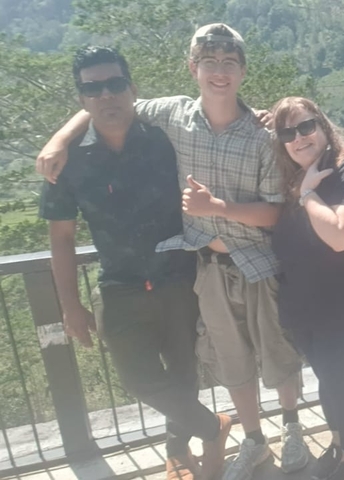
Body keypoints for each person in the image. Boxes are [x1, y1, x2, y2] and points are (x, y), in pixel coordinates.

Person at [34, 24, 309, 480]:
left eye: (228, 62)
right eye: (209, 62)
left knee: (246, 361)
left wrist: (218, 204)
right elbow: (107, 113)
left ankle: (254, 435)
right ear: (193, 68)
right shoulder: (158, 123)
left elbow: (280, 206)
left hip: (221, 268)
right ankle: (234, 435)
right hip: (165, 275)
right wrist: (60, 138)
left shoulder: (222, 133)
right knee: (190, 371)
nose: (218, 72)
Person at [39, 46, 231, 480]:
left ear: (132, 88)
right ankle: (212, 428)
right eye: (93, 88)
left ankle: (177, 453)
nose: (106, 95)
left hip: (178, 277)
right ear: (82, 99)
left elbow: (217, 112)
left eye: (114, 83)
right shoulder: (69, 160)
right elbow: (62, 237)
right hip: (119, 287)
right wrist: (70, 306)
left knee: (183, 375)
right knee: (138, 380)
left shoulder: (166, 136)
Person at [270, 97, 344, 480]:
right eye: (288, 132)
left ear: (322, 126)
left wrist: (308, 196)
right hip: (305, 305)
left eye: (306, 126)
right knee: (328, 380)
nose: (299, 137)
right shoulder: (293, 181)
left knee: (340, 379)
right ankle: (340, 445)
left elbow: (341, 235)